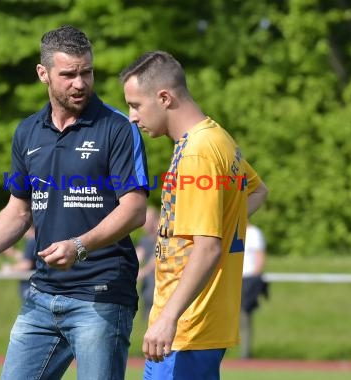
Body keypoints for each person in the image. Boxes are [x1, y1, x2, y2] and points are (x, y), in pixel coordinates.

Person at [0, 25, 149, 380]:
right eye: (69, 74)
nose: (80, 83)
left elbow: (135, 209)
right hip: (41, 295)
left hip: (102, 294)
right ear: (43, 74)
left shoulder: (118, 128)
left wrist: (79, 246)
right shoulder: (27, 132)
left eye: (87, 72)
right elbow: (19, 210)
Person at [120, 51, 269, 379]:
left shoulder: (198, 153)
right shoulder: (218, 138)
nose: (132, 117)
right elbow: (258, 191)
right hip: (198, 326)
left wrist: (167, 319)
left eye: (135, 105)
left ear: (164, 97)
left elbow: (207, 246)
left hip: (187, 328)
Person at [240, 222, 269, 359]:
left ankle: (245, 353)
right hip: (233, 279)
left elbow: (259, 256)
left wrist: (255, 277)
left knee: (245, 316)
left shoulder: (254, 233)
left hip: (248, 278)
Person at [2, 225, 37, 301]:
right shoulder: (38, 240)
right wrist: (13, 253)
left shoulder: (31, 241)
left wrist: (9, 268)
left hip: (30, 286)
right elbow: (29, 259)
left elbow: (26, 265)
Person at [136, 206, 159, 320]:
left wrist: (142, 273)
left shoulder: (163, 238)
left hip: (160, 285)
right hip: (148, 288)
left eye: (146, 221)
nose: (143, 225)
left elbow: (156, 259)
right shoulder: (144, 239)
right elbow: (138, 255)